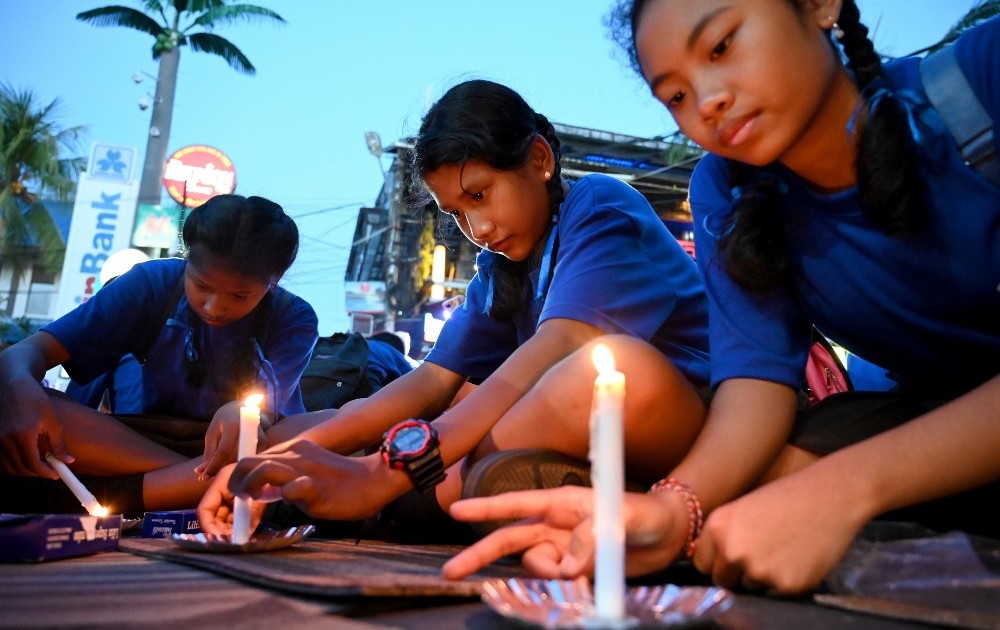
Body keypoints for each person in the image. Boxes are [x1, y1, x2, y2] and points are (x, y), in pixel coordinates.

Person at [440, 0, 1000, 596]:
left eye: (723, 46)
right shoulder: (725, 188)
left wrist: (841, 489)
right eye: (676, 96)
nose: (707, 101)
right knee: (812, 446)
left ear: (819, 6)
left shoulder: (980, 78)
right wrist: (677, 509)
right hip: (925, 418)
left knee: (803, 471)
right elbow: (757, 386)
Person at [198, 79, 711, 535]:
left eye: (481, 195)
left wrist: (378, 472)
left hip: (688, 420)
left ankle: (394, 502)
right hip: (586, 431)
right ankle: (411, 493)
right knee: (310, 431)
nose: (478, 229)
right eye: (458, 213)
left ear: (539, 159)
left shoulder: (598, 206)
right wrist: (279, 455)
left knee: (589, 375)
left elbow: (559, 348)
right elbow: (425, 383)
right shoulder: (500, 269)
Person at [0, 194, 318, 515]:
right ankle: (215, 485)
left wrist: (247, 414)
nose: (214, 307)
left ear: (273, 283)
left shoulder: (294, 318)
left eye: (239, 295)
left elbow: (266, 412)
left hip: (249, 449)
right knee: (23, 407)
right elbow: (26, 354)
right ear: (187, 259)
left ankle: (176, 488)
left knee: (321, 430)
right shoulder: (151, 284)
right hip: (145, 445)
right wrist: (20, 388)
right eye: (201, 285)